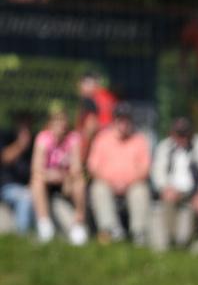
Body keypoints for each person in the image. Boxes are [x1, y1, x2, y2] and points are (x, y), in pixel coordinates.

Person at [87, 103, 152, 244]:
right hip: (107, 183)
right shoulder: (102, 138)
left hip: (133, 184)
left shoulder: (140, 140)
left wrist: (127, 182)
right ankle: (111, 230)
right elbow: (92, 167)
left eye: (127, 119)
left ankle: (139, 233)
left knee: (140, 190)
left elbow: (145, 169)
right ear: (114, 120)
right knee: (98, 188)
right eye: (120, 119)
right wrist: (111, 181)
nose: (124, 123)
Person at [151, 117, 198, 250]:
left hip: (195, 191)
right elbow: (158, 172)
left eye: (185, 134)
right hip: (172, 190)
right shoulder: (164, 147)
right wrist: (165, 187)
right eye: (179, 135)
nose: (182, 138)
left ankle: (192, 238)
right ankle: (171, 238)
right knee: (168, 198)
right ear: (172, 134)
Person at [30, 110, 88, 245]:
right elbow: (36, 168)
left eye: (62, 120)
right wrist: (50, 175)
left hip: (67, 181)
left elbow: (77, 168)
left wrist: (64, 176)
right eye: (56, 121)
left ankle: (78, 224)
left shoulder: (73, 138)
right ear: (50, 123)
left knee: (80, 182)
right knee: (36, 181)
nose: (60, 124)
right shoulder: (43, 138)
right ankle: (44, 225)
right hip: (47, 181)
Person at [0, 112, 35, 234]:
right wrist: (20, 145)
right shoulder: (6, 136)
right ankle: (22, 234)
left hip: (27, 187)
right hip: (8, 187)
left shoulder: (34, 141)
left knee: (31, 195)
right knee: (25, 198)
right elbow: (5, 158)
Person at [76, 71, 117, 163]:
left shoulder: (90, 100)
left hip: (98, 141)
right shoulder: (109, 97)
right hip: (111, 140)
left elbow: (91, 126)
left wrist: (83, 153)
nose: (80, 87)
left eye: (83, 83)